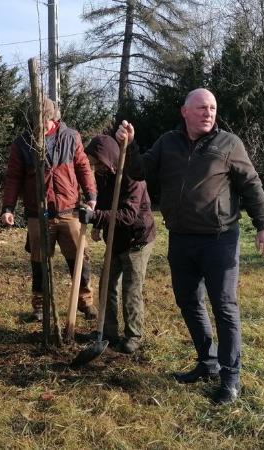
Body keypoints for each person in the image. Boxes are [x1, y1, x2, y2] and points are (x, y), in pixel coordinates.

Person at [115, 88, 264, 405]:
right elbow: (139, 172)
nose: (209, 112)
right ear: (184, 111)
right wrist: (129, 146)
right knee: (188, 302)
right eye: (202, 107)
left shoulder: (229, 143)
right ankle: (207, 362)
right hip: (181, 238)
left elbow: (251, 184)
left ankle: (230, 379)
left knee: (225, 308)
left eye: (213, 108)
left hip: (220, 240)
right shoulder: (167, 143)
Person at [1, 98, 98, 321]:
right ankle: (39, 306)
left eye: (45, 121)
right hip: (37, 214)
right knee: (39, 262)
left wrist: (91, 196)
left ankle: (85, 301)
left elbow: (83, 167)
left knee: (80, 259)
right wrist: (8, 207)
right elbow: (13, 178)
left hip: (69, 210)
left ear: (53, 117)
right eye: (37, 122)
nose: (41, 127)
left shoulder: (71, 137)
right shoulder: (22, 144)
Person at [79, 135, 156, 354]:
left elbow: (128, 215)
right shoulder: (104, 176)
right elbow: (103, 202)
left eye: (98, 163)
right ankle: (108, 332)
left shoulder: (132, 177)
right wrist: (97, 224)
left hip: (137, 239)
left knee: (131, 289)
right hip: (115, 238)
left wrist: (96, 217)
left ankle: (134, 335)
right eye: (92, 163)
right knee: (107, 285)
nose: (95, 168)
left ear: (109, 158)